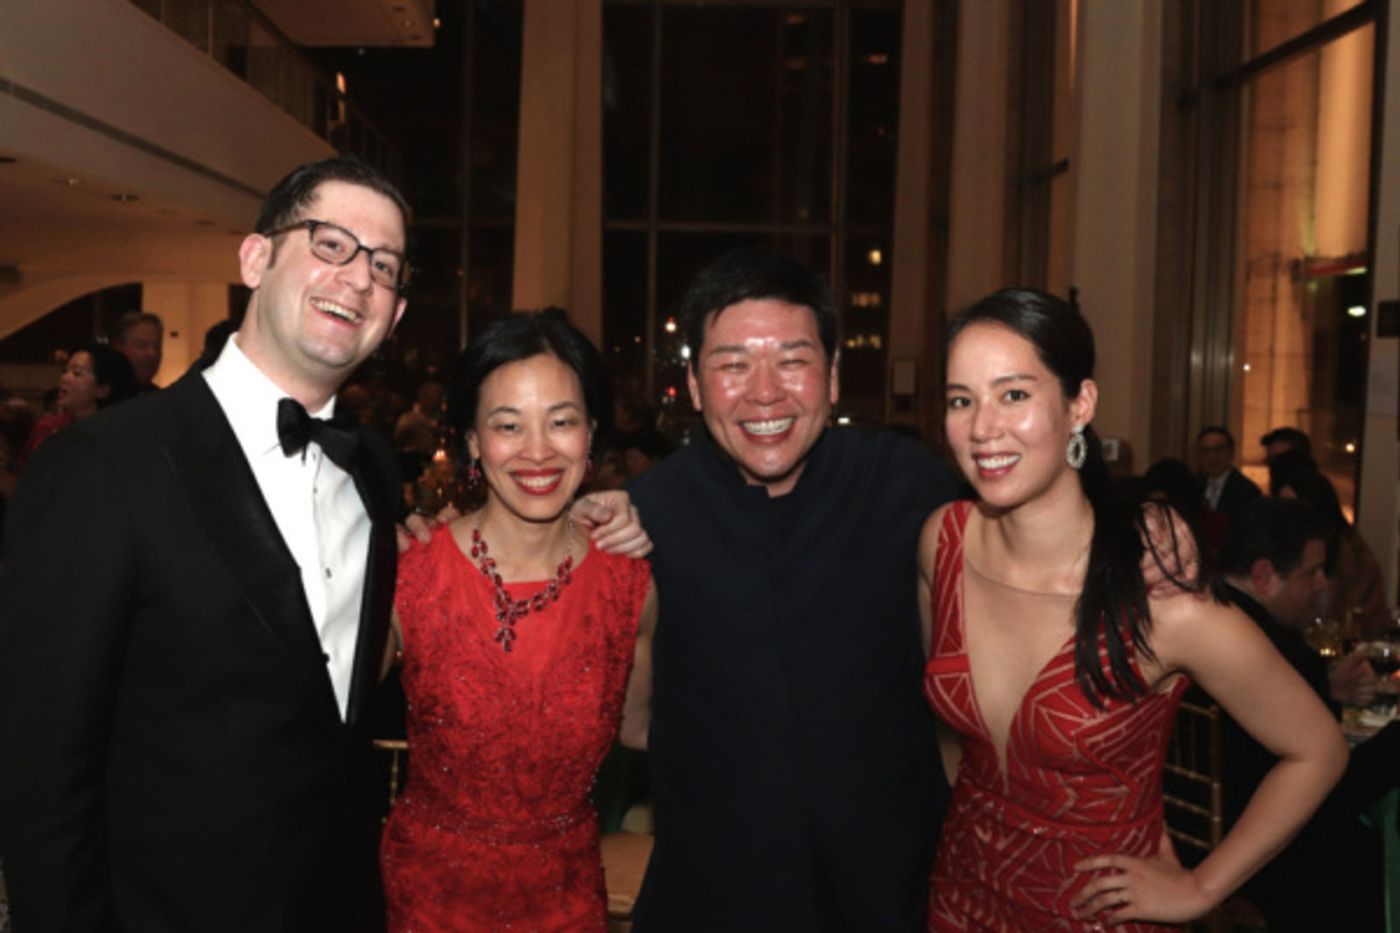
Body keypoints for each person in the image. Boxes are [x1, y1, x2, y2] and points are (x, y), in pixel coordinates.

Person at [0, 156, 648, 932]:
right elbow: (40, 771)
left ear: (396, 313)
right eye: (331, 244)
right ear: (255, 257)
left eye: (383, 266)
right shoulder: (102, 465)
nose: (357, 279)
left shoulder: (372, 468)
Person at [921, 288, 1345, 929]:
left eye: (1014, 394)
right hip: (958, 895)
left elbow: (1317, 749)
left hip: (1095, 913)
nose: (983, 428)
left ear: (1079, 405)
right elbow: (957, 736)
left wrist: (1203, 888)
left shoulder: (1162, 597)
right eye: (962, 400)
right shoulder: (942, 543)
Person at [628, 247, 963, 931]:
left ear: (834, 376)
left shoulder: (903, 482)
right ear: (693, 384)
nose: (765, 392)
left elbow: (1029, 527)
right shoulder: (647, 512)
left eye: (792, 359)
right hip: (711, 896)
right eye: (732, 364)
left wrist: (1134, 523)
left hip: (889, 892)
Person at [380, 310, 657, 931]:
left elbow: (647, 730)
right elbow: (310, 713)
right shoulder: (409, 573)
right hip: (429, 904)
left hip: (567, 903)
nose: (538, 450)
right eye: (509, 425)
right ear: (474, 441)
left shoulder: (631, 585)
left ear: (591, 434)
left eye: (561, 422)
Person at [1215, 496, 1397, 932]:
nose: (1322, 585)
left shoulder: (1208, 617)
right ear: (1263, 575)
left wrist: (1326, 691)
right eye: (1311, 572)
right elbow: (1330, 789)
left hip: (1209, 836)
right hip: (1269, 861)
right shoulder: (1278, 655)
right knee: (1371, 852)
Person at [1267, 448, 1390, 637]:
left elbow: (1365, 621)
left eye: (1294, 508)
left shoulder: (1350, 555)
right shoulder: (1274, 549)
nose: (1287, 517)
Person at [17, 341, 137, 469]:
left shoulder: (118, 439)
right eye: (65, 370)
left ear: (102, 390)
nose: (64, 378)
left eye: (77, 373)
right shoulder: (48, 429)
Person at [1194, 424, 1261, 552]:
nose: (1212, 457)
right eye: (1205, 451)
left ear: (1231, 452)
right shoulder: (1192, 486)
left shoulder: (1247, 490)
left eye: (1218, 450)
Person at [112, 310, 165, 392]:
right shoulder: (99, 399)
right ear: (118, 348)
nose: (152, 353)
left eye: (157, 346)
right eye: (142, 346)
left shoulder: (163, 399)